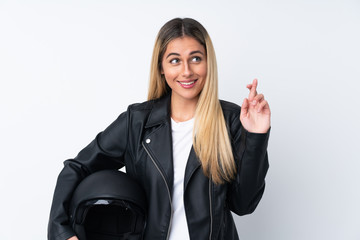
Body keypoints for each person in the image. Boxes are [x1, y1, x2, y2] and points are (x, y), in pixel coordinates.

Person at [48, 17, 271, 240]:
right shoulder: (137, 122)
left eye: (195, 58)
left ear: (208, 63)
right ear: (161, 68)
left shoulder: (231, 120)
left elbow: (244, 205)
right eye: (175, 60)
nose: (186, 71)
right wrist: (62, 231)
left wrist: (256, 136)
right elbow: (77, 167)